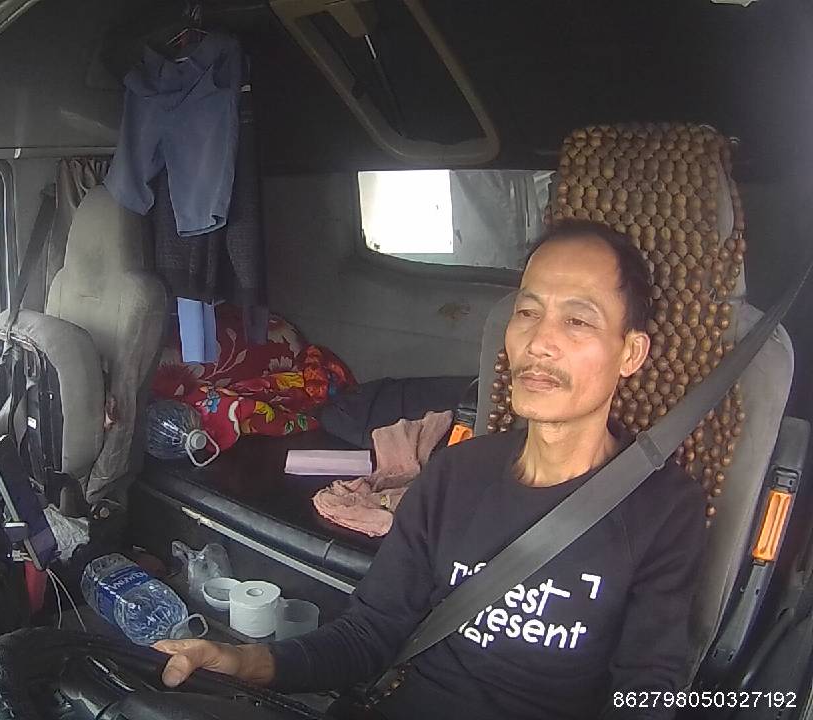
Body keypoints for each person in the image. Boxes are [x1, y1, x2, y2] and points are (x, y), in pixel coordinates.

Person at [153, 219, 707, 719]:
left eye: (578, 320)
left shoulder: (662, 509)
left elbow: (646, 693)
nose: (540, 342)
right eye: (528, 312)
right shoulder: (455, 474)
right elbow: (369, 633)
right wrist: (244, 661)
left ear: (631, 353)